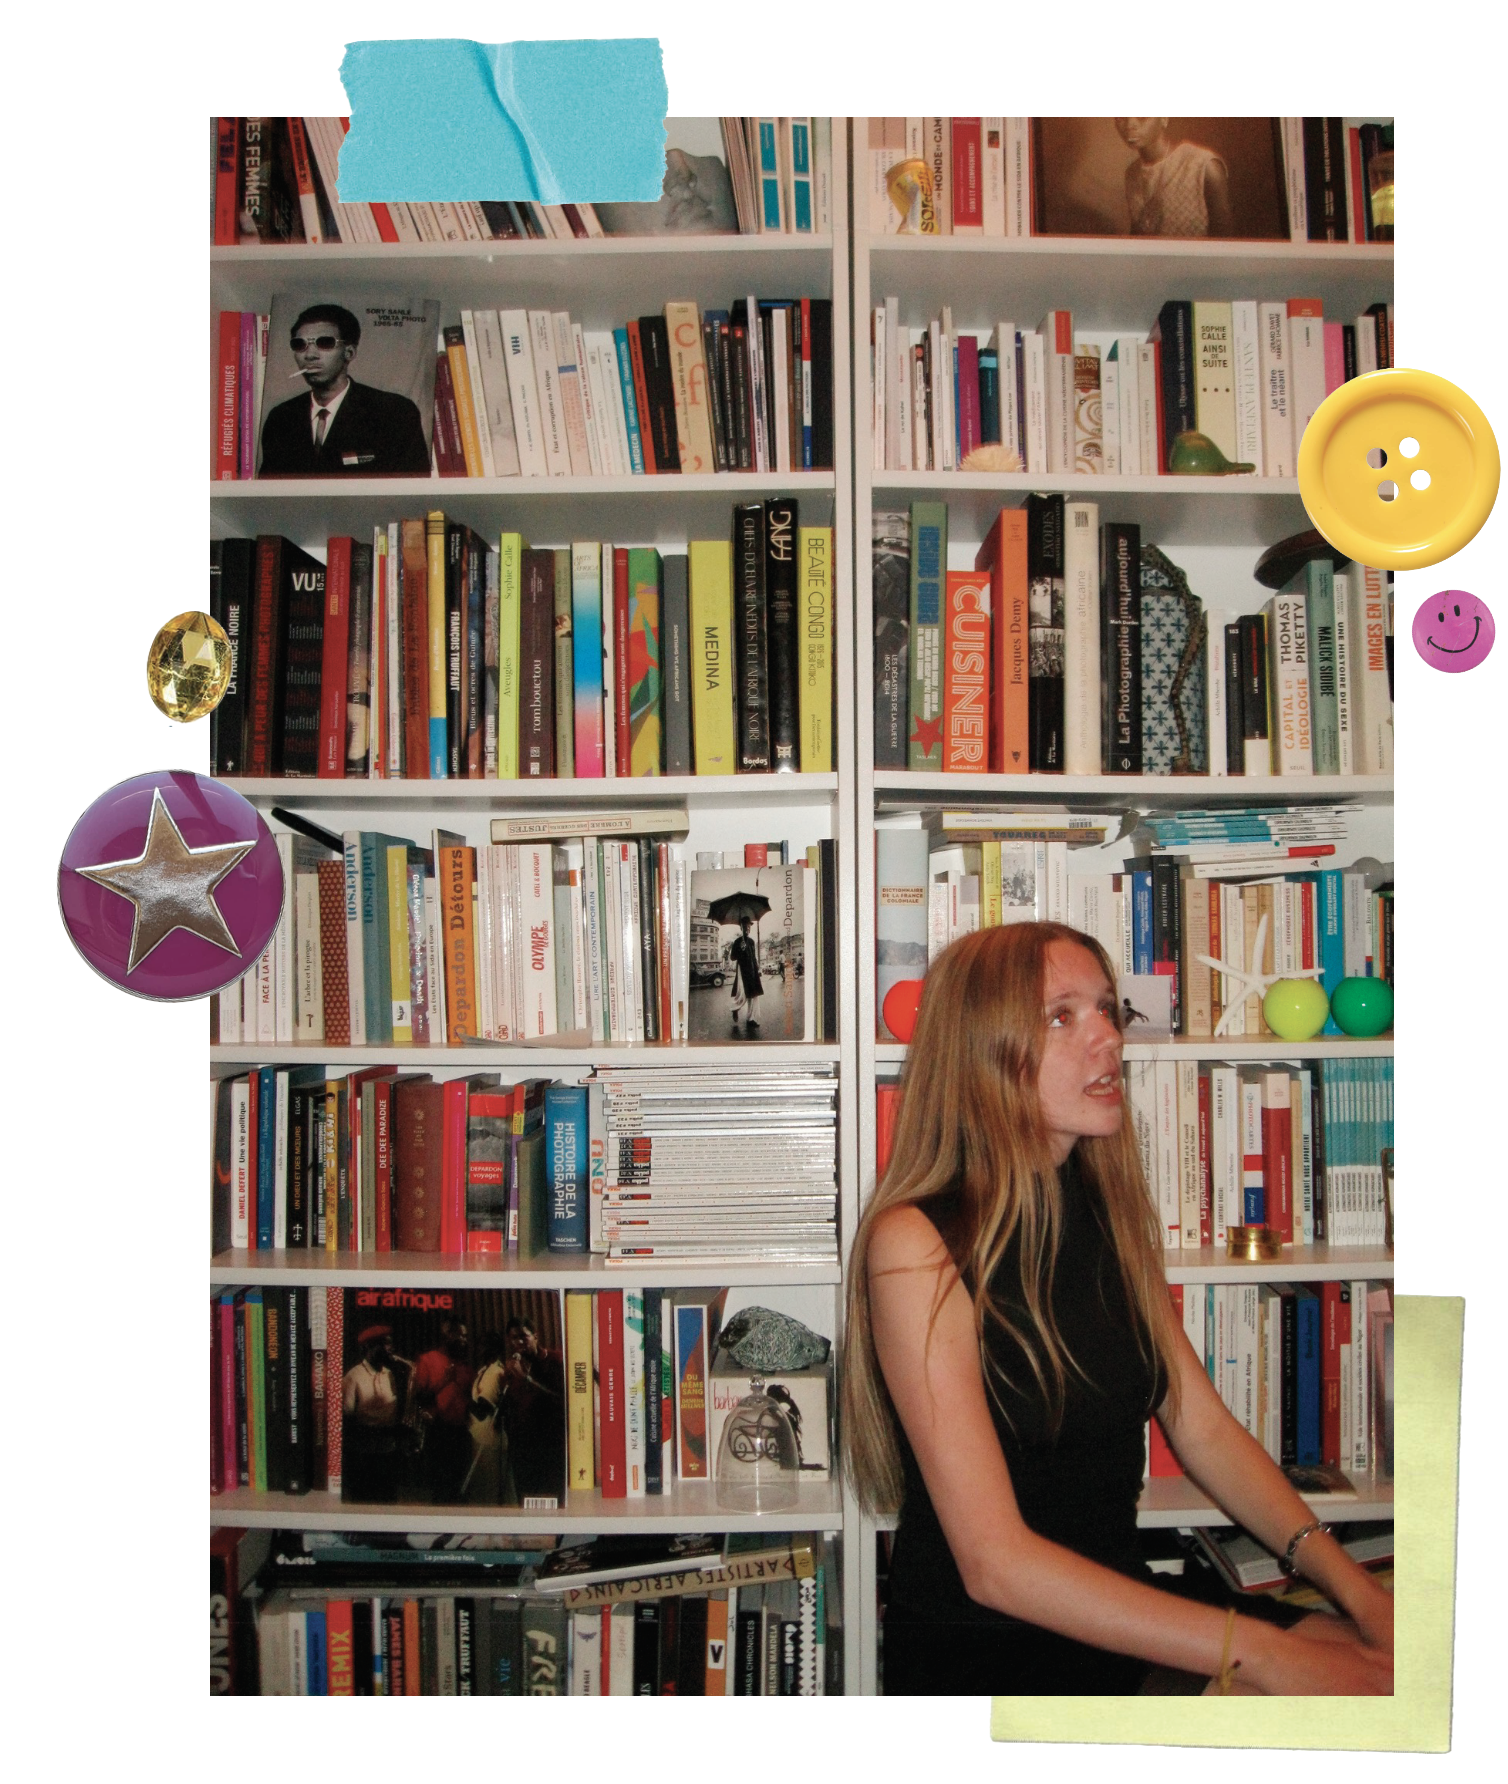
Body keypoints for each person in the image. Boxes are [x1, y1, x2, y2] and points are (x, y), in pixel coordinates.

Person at [843, 922, 1394, 1695]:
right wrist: (1267, 1654)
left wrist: (1360, 1595)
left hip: (1124, 1602)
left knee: (1402, 1671)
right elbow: (995, 1565)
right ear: (980, 1050)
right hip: (996, 1650)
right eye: (1061, 1016)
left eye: (1106, 1009)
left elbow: (1203, 1430)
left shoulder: (1105, 1208)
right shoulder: (915, 1243)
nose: (1107, 1036)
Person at [258, 303, 431, 476]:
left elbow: (413, 486)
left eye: (325, 343)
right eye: (299, 344)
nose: (310, 355)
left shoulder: (395, 413)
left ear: (349, 353)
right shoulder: (280, 419)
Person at [1114, 118, 1233, 239]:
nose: (1129, 125)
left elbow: (1224, 244)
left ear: (1164, 118)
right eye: (1121, 117)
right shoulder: (1131, 174)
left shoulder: (1204, 166)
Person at [495, 1316, 566, 1505]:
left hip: (550, 1445)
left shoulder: (556, 1360)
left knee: (551, 1499)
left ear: (535, 1336)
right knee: (525, 1499)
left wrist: (527, 1380)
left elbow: (563, 1400)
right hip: (522, 1447)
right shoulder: (512, 1368)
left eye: (523, 1336)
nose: (519, 1342)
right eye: (513, 1338)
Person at [341, 1325, 414, 1504]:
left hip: (388, 1453)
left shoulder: (390, 1374)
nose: (390, 1348)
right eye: (385, 1344)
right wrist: (382, 1432)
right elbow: (347, 1420)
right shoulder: (353, 1377)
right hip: (364, 1456)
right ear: (368, 1347)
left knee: (388, 1501)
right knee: (365, 1502)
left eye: (390, 1344)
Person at [411, 1316, 476, 1504]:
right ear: (447, 1334)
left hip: (461, 1434)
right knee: (441, 1491)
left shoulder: (466, 1367)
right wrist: (444, 1382)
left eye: (465, 1336)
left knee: (460, 1491)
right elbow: (420, 1398)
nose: (464, 1340)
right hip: (439, 1434)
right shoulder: (427, 1360)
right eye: (460, 1335)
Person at [728, 915, 764, 1033]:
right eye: (745, 927)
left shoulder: (752, 942)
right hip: (742, 971)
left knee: (753, 995)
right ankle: (735, 1008)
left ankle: (751, 1018)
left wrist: (758, 969)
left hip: (752, 970)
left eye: (749, 927)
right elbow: (732, 957)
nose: (747, 929)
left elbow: (753, 957)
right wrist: (740, 949)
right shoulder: (737, 942)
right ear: (741, 928)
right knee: (742, 993)